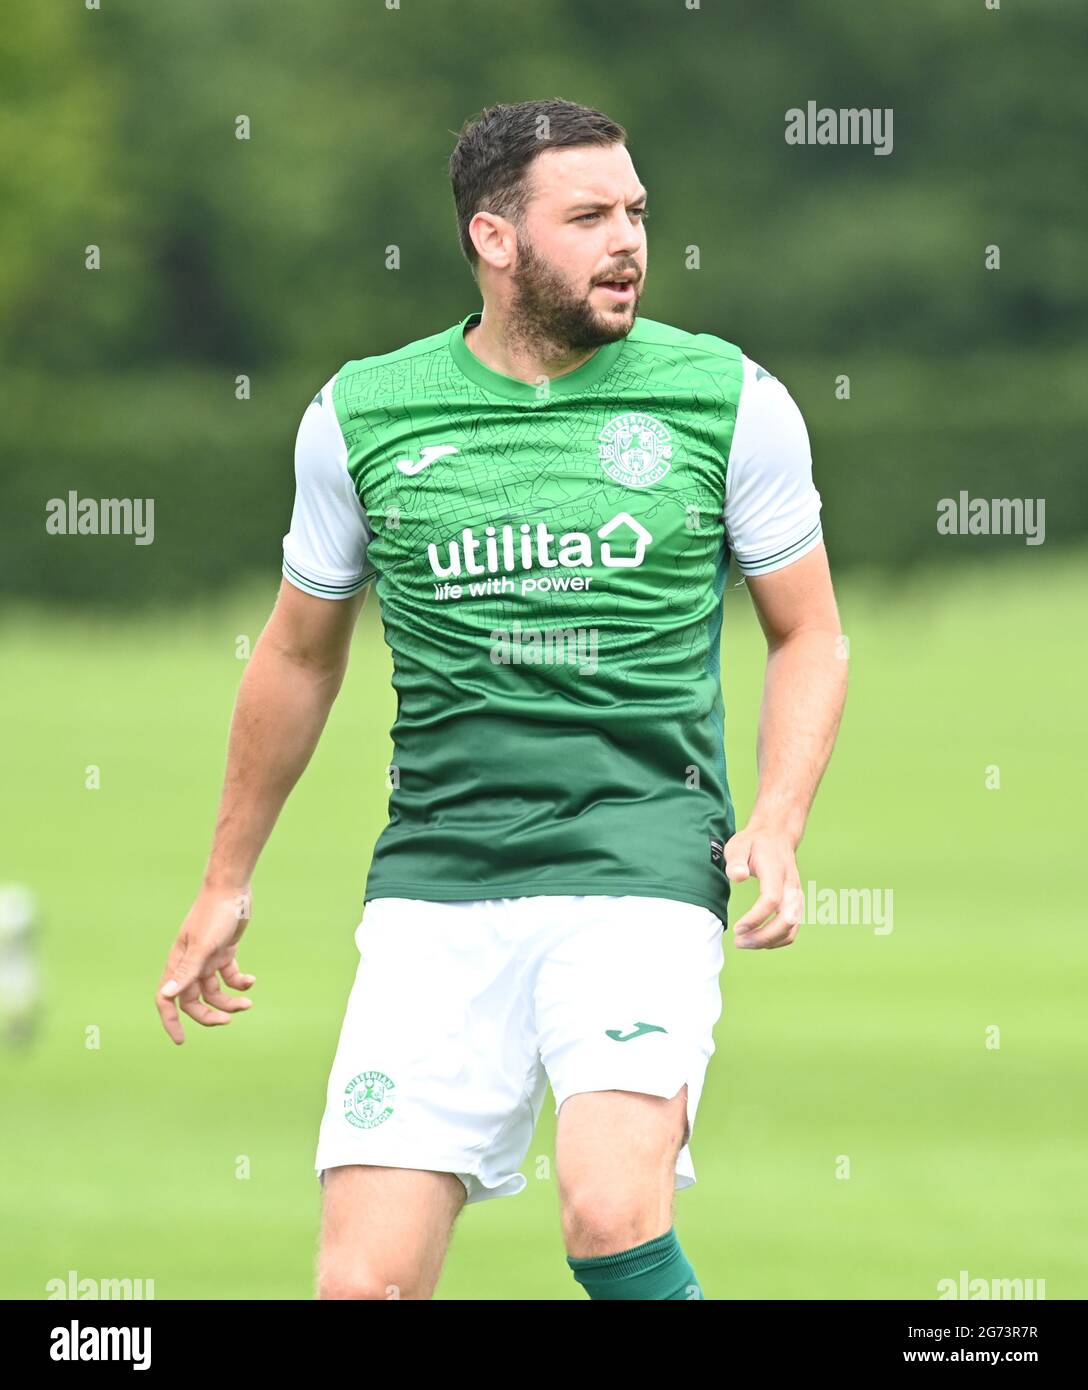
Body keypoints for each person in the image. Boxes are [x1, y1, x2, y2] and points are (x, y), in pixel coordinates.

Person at [156, 97, 848, 1301]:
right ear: (493, 238)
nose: (627, 239)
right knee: (361, 1286)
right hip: (436, 882)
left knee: (608, 1210)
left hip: (637, 864)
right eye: (587, 217)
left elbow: (810, 634)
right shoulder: (360, 414)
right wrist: (227, 877)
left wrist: (778, 819)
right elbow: (298, 654)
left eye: (635, 211)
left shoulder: (728, 398)